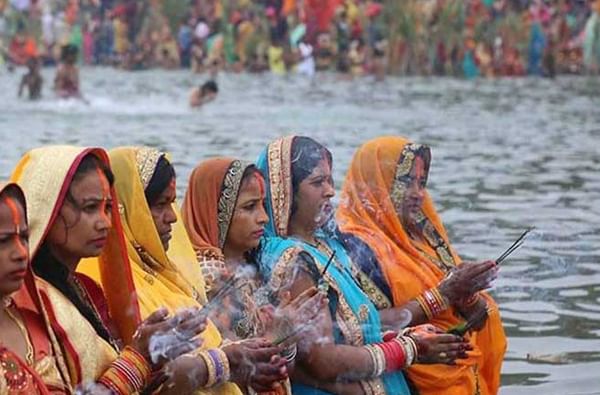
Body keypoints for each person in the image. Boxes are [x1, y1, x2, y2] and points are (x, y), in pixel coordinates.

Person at [256, 136, 471, 394]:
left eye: (329, 179)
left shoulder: (326, 245)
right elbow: (321, 360)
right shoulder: (292, 260)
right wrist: (409, 349)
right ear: (285, 193)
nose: (330, 191)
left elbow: (353, 328)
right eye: (317, 182)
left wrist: (406, 337)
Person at [80, 147, 290, 394]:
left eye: (172, 202)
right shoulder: (103, 285)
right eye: (160, 205)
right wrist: (224, 362)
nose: (173, 217)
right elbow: (151, 381)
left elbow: (216, 356)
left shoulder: (169, 277)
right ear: (124, 210)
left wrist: (268, 350)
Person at [10, 146, 206, 394]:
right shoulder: (29, 305)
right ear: (47, 208)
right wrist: (138, 358)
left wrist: (154, 358)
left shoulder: (86, 290)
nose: (105, 223)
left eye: (108, 208)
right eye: (90, 208)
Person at [337, 136, 507, 395]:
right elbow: (361, 327)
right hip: (408, 377)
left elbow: (471, 313)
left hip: (462, 374)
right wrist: (443, 295)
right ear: (376, 181)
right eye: (406, 182)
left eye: (422, 183)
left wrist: (471, 295)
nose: (418, 194)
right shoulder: (353, 246)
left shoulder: (423, 234)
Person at [181, 158, 326, 394]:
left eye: (263, 205)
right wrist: (279, 335)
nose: (263, 218)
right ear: (216, 213)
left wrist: (286, 335)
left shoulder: (248, 267)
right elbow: (238, 372)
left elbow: (275, 368)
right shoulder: (211, 278)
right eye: (249, 207)